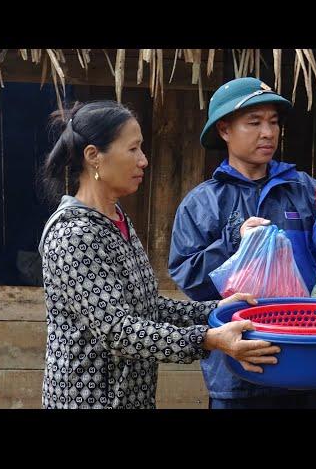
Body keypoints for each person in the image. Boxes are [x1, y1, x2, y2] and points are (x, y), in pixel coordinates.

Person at [38, 100, 280, 409]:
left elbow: (147, 308)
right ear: (93, 157)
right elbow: (118, 331)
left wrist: (215, 309)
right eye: (133, 149)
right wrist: (207, 339)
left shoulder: (116, 220)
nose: (143, 161)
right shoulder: (74, 233)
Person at [168, 77, 316, 409]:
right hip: (243, 368)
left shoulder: (305, 189)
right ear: (224, 130)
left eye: (273, 122)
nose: (268, 132)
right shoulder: (203, 203)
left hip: (313, 358)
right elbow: (191, 280)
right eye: (254, 122)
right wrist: (235, 243)